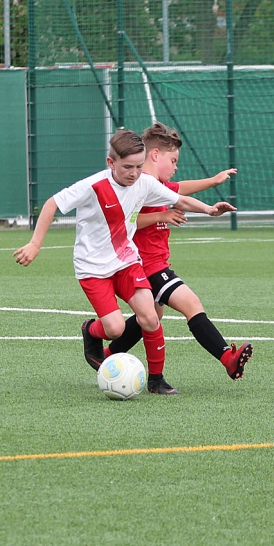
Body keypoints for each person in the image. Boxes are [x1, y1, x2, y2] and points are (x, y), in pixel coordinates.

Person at [14, 129, 235, 395]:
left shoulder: (144, 182)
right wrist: (35, 244)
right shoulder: (94, 185)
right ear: (111, 163)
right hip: (93, 268)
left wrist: (209, 210)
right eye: (128, 167)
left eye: (139, 166)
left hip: (127, 261)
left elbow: (180, 199)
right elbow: (52, 204)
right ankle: (91, 331)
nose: (134, 173)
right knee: (116, 328)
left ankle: (156, 380)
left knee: (150, 316)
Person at [82, 122, 253, 385]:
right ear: (155, 155)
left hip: (156, 262)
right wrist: (162, 215)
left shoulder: (155, 184)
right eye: (173, 161)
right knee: (190, 304)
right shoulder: (139, 184)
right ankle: (226, 358)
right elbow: (126, 222)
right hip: (144, 264)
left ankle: (108, 355)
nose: (175, 167)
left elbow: (180, 190)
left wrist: (212, 186)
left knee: (152, 316)